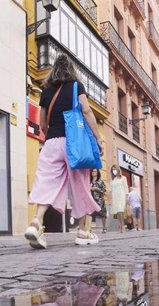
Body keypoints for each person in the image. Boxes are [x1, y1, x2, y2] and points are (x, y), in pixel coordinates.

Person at [26, 54, 102, 249]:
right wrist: (97, 137)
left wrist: (53, 134)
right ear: (71, 70)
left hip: (51, 142)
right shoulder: (77, 87)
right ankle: (83, 232)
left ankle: (36, 222)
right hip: (73, 142)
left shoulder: (46, 91)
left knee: (46, 182)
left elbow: (43, 124)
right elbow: (86, 111)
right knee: (81, 186)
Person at [110, 165, 129, 233]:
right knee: (118, 213)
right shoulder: (113, 180)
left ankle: (123, 226)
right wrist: (110, 199)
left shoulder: (123, 178)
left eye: (115, 169)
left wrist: (127, 197)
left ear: (118, 170)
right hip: (115, 198)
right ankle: (120, 226)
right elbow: (110, 190)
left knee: (121, 211)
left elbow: (126, 188)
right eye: (112, 170)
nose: (114, 171)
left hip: (121, 196)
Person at [89, 169, 107, 233]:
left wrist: (97, 189)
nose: (93, 172)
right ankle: (89, 228)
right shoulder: (89, 181)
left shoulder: (100, 181)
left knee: (102, 214)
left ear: (97, 173)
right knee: (89, 214)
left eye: (95, 171)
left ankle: (104, 228)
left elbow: (104, 191)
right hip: (91, 200)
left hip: (99, 200)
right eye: (92, 171)